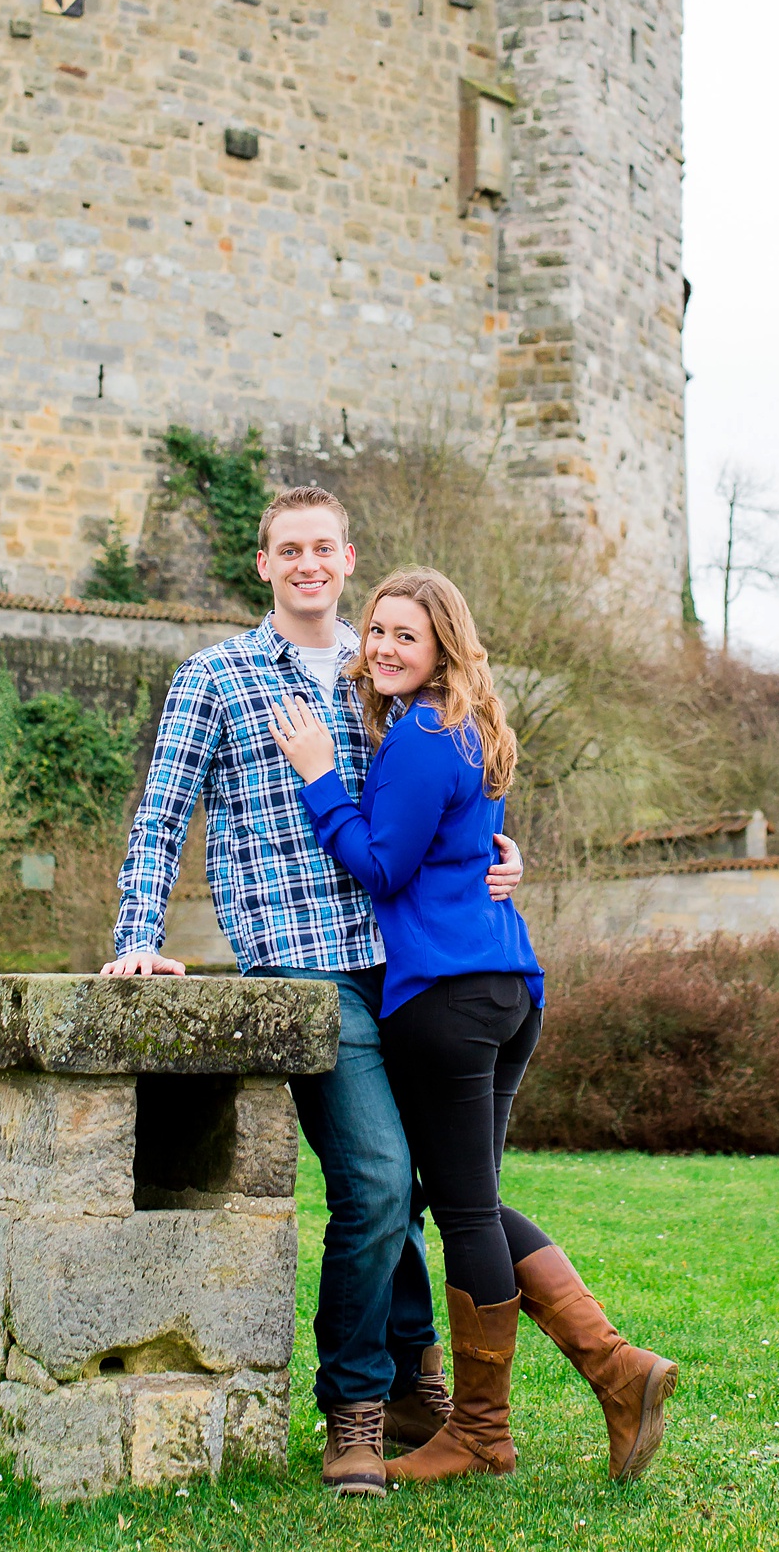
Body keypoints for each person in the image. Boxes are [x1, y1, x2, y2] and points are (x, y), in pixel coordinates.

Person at [101, 488, 525, 1496]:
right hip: (303, 967)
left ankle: (431, 1384)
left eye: (322, 548)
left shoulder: (383, 671)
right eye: (287, 549)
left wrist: (503, 856)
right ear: (263, 565)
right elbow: (162, 816)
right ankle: (356, 1408)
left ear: (346, 558)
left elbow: (446, 792)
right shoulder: (217, 676)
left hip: (412, 966)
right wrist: (136, 938)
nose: (306, 564)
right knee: (379, 1181)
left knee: (428, 1185)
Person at [270, 566, 676, 1489]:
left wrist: (320, 779)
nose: (380, 647)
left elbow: (380, 865)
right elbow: (464, 842)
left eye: (403, 636)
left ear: (442, 647)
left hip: (448, 998)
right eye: (373, 630)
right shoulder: (473, 723)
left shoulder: (418, 736)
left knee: (461, 1210)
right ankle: (617, 1371)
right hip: (509, 989)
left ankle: (490, 1432)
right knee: (476, 1202)